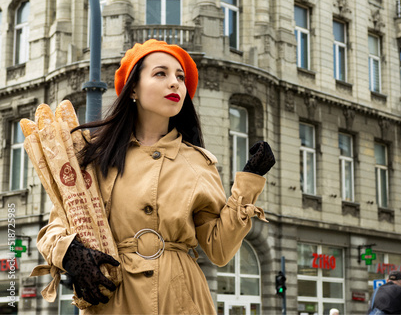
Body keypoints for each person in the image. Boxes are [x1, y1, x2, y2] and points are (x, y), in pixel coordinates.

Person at [35, 39, 275, 314]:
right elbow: (55, 226)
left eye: (180, 77)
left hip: (181, 299)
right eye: (161, 73)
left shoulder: (199, 162)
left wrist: (249, 180)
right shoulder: (94, 154)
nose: (174, 83)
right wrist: (69, 252)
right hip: (113, 299)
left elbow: (219, 249)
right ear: (133, 88)